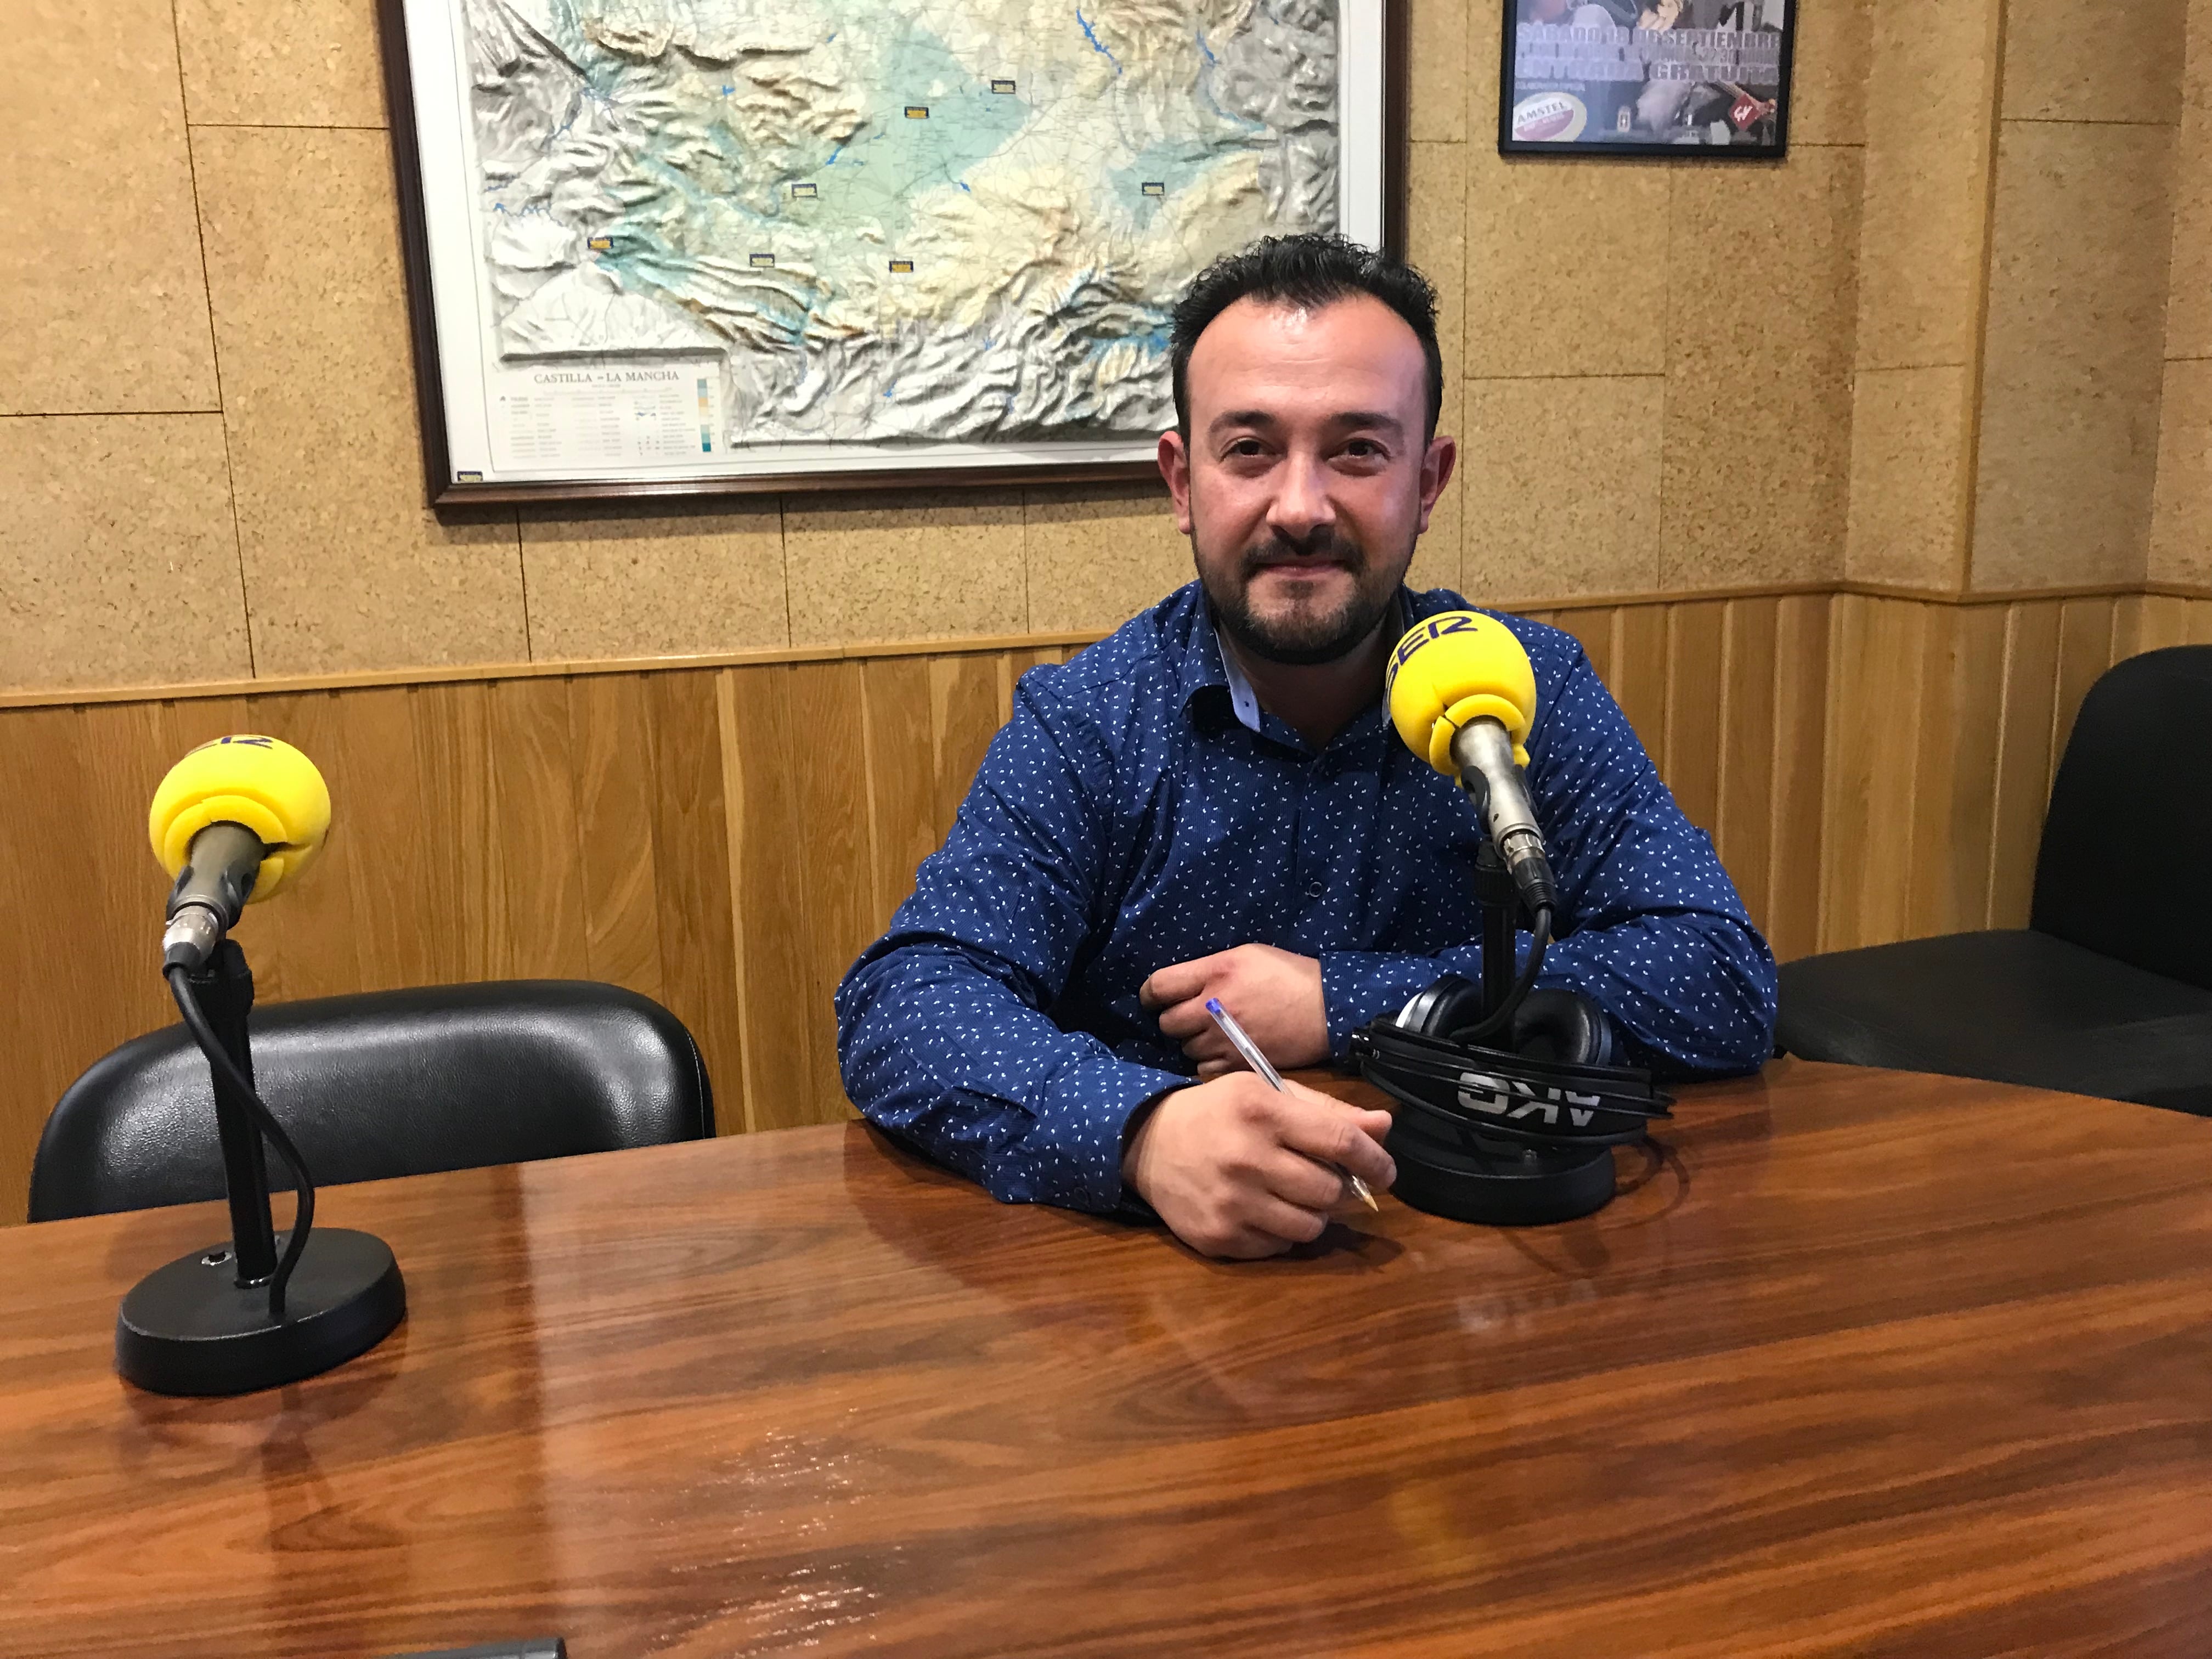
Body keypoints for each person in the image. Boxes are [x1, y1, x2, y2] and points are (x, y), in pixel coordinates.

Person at [836, 233, 1775, 1259]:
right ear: (1182, 480)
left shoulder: (1528, 691)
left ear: (1428, 480)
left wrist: (1344, 1003)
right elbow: (909, 1004)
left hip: (1497, 1279)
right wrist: (1141, 1133)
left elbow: (1720, 976)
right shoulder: (1090, 723)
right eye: (1250, 450)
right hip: (1165, 1289)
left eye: (1357, 450)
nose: (1300, 506)